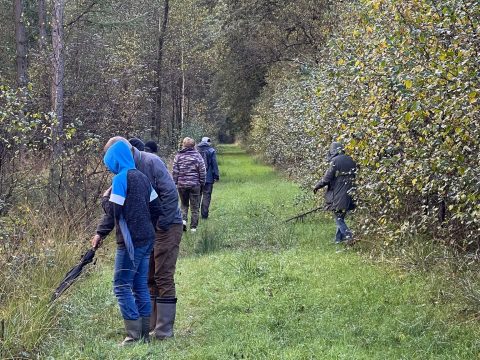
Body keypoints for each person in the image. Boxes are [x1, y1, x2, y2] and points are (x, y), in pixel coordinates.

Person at [106, 136, 183, 340]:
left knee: (163, 275)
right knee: (147, 278)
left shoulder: (151, 162)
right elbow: (118, 206)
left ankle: (164, 331)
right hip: (146, 230)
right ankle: (147, 328)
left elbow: (170, 194)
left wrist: (160, 225)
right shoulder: (124, 172)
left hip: (167, 224)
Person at [91, 140, 161, 345]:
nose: (108, 166)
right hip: (147, 238)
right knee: (139, 285)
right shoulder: (142, 178)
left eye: (108, 161)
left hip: (131, 243)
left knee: (121, 285)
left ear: (114, 159)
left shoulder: (121, 179)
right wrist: (146, 226)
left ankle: (133, 336)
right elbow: (157, 209)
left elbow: (114, 210)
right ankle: (144, 335)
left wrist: (105, 197)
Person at [313, 142, 357, 244]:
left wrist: (317, 186)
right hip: (351, 191)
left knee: (338, 218)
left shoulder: (335, 161)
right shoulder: (351, 159)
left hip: (339, 193)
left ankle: (349, 237)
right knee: (341, 216)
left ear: (332, 151)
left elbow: (327, 178)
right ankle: (338, 240)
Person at [172, 137, 206, 232]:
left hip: (182, 185)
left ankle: (183, 221)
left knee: (184, 204)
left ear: (183, 145)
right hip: (195, 185)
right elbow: (202, 171)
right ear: (194, 145)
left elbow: (175, 171)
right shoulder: (198, 156)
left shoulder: (178, 156)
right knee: (195, 207)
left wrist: (175, 183)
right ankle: (193, 228)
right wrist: (202, 183)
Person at [196, 137, 220, 219]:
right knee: (207, 195)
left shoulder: (195, 150)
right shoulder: (211, 150)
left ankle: (195, 213)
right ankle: (204, 215)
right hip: (208, 178)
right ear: (208, 142)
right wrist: (216, 176)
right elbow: (214, 164)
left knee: (197, 195)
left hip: (197, 178)